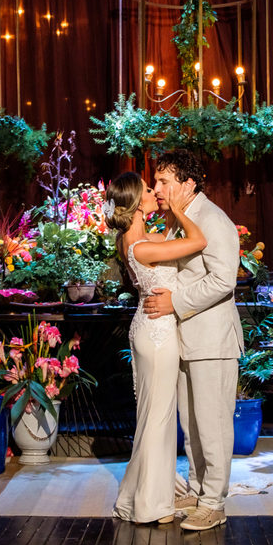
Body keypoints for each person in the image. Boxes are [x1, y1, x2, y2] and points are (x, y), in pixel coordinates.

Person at [143, 150, 243, 532]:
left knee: (213, 424)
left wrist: (174, 302)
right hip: (184, 339)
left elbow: (223, 281)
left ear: (188, 183)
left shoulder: (213, 220)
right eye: (156, 181)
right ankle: (200, 490)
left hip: (212, 341)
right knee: (193, 424)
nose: (157, 188)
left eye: (165, 181)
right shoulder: (178, 220)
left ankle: (215, 502)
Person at [106, 171, 206, 525]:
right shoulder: (144, 247)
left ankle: (147, 496)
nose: (155, 193)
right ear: (136, 203)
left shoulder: (135, 240)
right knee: (158, 418)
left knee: (156, 417)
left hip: (149, 329)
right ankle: (149, 504)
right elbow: (198, 241)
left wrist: (168, 216)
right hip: (157, 334)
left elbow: (170, 240)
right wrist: (178, 210)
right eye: (149, 190)